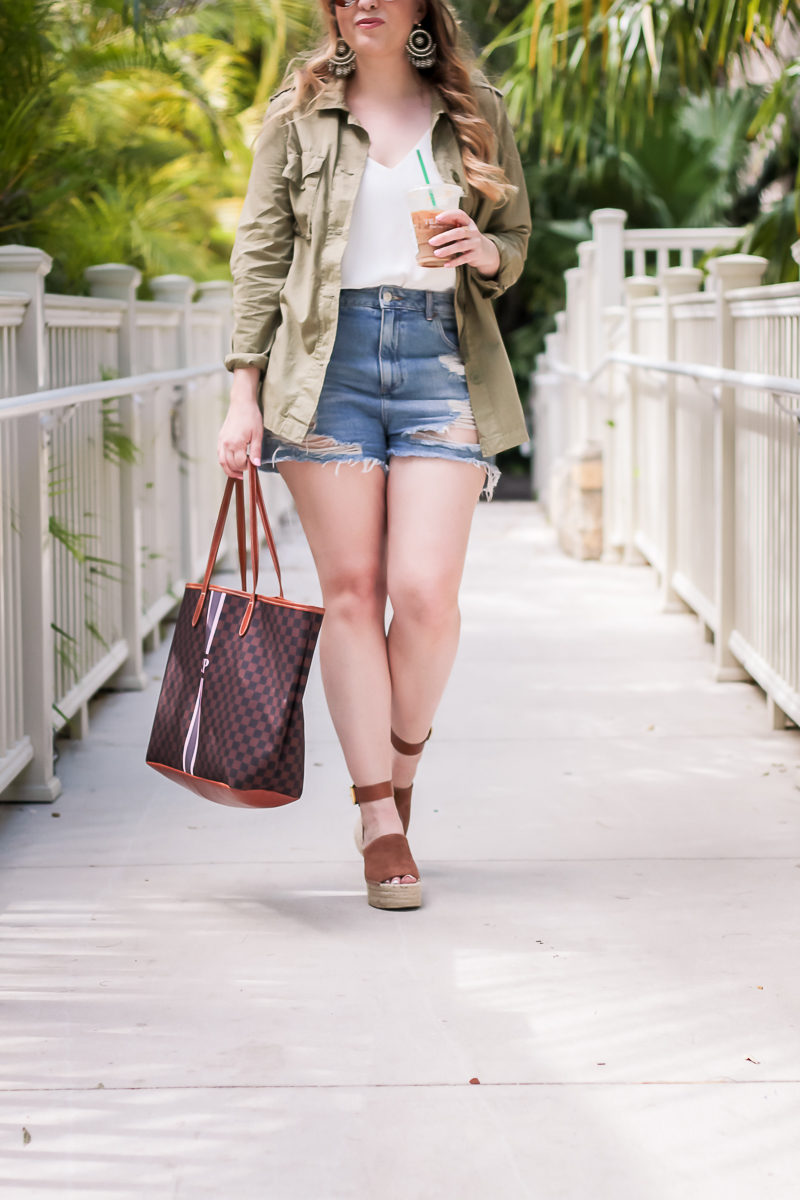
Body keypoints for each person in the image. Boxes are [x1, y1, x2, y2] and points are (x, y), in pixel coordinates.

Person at [217, 0, 530, 910]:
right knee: (352, 592)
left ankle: (396, 769)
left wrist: (482, 249)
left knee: (427, 596)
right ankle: (379, 822)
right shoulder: (300, 110)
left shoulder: (476, 108)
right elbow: (260, 254)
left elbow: (514, 242)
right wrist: (243, 390)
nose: (362, 2)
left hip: (442, 360)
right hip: (326, 366)